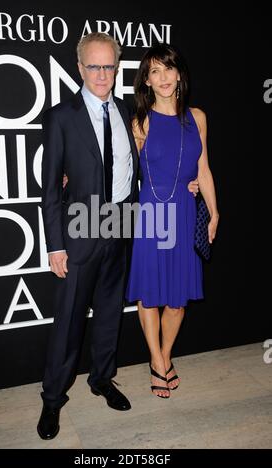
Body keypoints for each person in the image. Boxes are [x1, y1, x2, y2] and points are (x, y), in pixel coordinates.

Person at [37, 32, 140, 440]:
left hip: (120, 222)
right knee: (68, 321)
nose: (102, 74)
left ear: (117, 67)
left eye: (109, 65)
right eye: (93, 66)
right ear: (80, 68)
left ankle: (101, 379)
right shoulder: (62, 116)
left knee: (111, 311)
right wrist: (55, 243)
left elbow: (130, 167)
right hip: (80, 226)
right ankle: (52, 399)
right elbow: (48, 187)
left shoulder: (127, 109)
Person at [126, 43, 219, 398]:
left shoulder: (198, 117)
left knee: (177, 300)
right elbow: (124, 172)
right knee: (149, 296)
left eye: (168, 69)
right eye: (154, 71)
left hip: (183, 211)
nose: (163, 77)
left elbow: (204, 169)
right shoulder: (140, 122)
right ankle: (157, 361)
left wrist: (214, 211)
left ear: (179, 73)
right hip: (151, 214)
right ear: (146, 81)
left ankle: (163, 356)